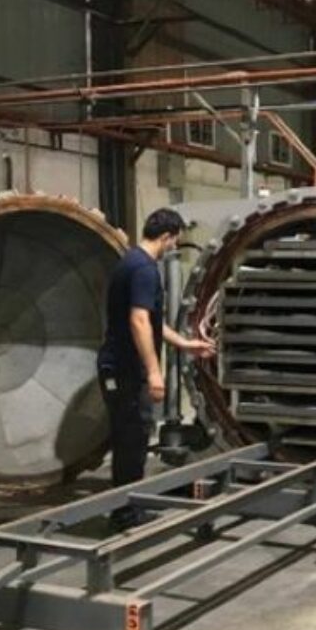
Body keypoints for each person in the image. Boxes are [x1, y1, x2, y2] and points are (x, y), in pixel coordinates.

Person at [97, 208, 215, 529]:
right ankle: (125, 513)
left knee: (130, 438)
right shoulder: (145, 270)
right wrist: (153, 371)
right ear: (166, 237)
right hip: (125, 369)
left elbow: (150, 321)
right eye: (174, 241)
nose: (173, 247)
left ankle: (126, 508)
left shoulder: (129, 261)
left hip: (117, 366)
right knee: (132, 440)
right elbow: (139, 321)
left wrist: (185, 344)